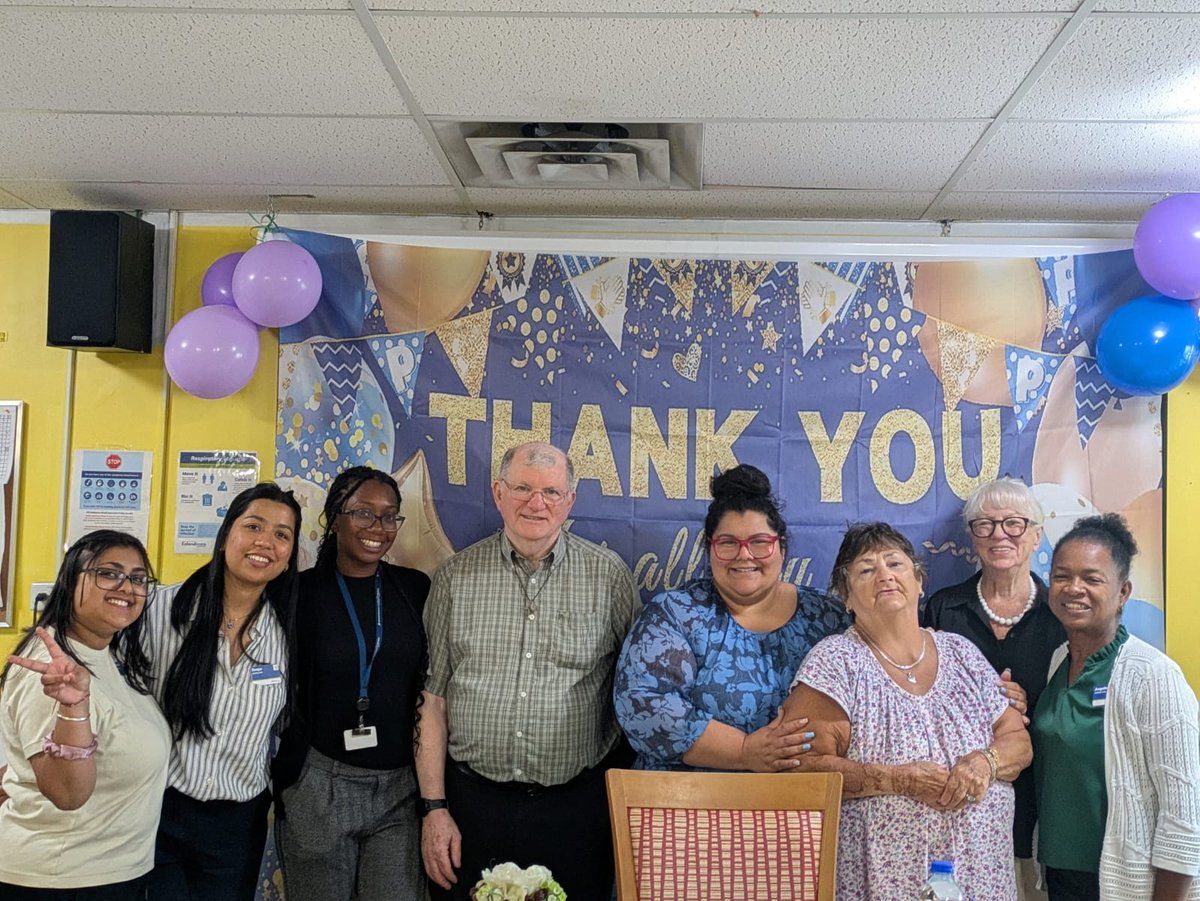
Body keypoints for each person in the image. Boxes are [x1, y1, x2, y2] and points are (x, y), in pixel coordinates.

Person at [417, 441, 640, 901]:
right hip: (473, 809)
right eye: (522, 488)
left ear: (570, 500)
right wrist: (434, 808)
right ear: (498, 493)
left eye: (551, 492)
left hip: (575, 812)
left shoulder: (609, 577)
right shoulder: (455, 577)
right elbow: (432, 700)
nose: (536, 503)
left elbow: (636, 693)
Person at [782, 521, 1032, 900]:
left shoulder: (961, 652)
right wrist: (898, 780)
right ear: (846, 597)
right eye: (866, 570)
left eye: (895, 563)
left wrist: (986, 762)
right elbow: (803, 769)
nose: (884, 575)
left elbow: (1018, 741)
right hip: (883, 885)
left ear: (919, 582)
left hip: (981, 880)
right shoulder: (834, 663)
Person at [613, 463, 849, 771]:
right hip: (685, 796)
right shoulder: (674, 613)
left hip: (805, 795)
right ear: (709, 549)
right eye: (728, 543)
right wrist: (744, 751)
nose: (744, 555)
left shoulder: (828, 617)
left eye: (759, 542)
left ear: (782, 547)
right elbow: (643, 705)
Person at [272, 466, 430, 901]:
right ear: (334, 517)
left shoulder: (415, 589)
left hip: (399, 790)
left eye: (389, 515)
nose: (378, 527)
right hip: (319, 784)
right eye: (363, 512)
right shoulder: (297, 593)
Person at [143, 482, 301, 901]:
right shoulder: (158, 611)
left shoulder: (287, 637)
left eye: (281, 534)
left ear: (289, 557)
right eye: (253, 526)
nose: (265, 542)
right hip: (157, 812)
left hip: (237, 825)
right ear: (226, 534)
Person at [1032, 514, 1200, 900]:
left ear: (1123, 592)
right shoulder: (1058, 662)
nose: (1074, 588)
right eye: (1062, 576)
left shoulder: (1153, 675)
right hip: (1061, 877)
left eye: (1092, 579)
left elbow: (1184, 815)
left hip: (1123, 884)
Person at [0, 530, 170, 899]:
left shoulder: (106, 653)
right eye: (108, 573)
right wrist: (74, 707)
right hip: (62, 877)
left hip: (103, 872)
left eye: (138, 578)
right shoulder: (52, 668)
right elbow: (67, 793)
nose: (127, 587)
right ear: (69, 580)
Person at [923, 477, 1065, 899]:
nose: (1000, 534)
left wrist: (1028, 706)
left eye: (1014, 523)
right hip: (960, 806)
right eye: (985, 525)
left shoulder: (1061, 613)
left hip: (1044, 803)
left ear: (1037, 534)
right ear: (973, 537)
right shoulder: (943, 608)